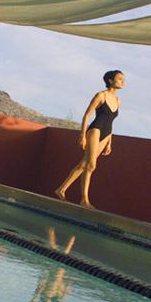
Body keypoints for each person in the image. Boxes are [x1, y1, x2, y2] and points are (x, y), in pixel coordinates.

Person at [55, 70, 125, 209]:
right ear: (110, 80)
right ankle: (84, 200)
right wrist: (82, 135)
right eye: (119, 79)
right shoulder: (101, 95)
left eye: (123, 79)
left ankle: (61, 190)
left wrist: (109, 142)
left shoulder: (118, 101)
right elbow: (87, 115)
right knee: (91, 165)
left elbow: (112, 122)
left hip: (106, 133)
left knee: (84, 164)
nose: (123, 81)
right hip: (95, 130)